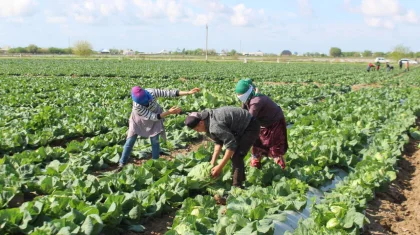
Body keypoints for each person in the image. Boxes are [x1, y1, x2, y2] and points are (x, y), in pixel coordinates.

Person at [117, 86, 200, 170]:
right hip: (139, 120)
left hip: (156, 117)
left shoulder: (151, 92)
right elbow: (153, 117)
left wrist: (188, 92)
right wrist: (169, 112)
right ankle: (122, 162)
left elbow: (169, 93)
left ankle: (155, 163)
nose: (147, 102)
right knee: (130, 140)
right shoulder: (137, 106)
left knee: (155, 141)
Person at [184, 107, 260, 188]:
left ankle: (237, 187)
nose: (197, 131)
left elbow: (231, 145)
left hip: (250, 126)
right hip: (238, 127)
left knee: (237, 157)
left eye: (197, 128)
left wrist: (220, 167)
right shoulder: (206, 120)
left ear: (201, 123)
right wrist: (212, 163)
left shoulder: (214, 126)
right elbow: (218, 143)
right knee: (236, 155)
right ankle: (241, 179)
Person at [235, 79, 288, 169]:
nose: (239, 97)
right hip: (262, 124)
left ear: (247, 93)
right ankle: (256, 170)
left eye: (241, 95)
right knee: (257, 147)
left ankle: (282, 171)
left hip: (275, 123)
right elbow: (243, 113)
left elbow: (249, 119)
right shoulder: (248, 98)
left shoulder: (256, 101)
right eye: (238, 95)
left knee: (275, 149)